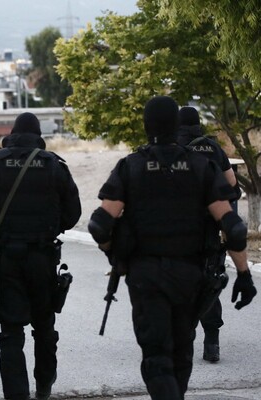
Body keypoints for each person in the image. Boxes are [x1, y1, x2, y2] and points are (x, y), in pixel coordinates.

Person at [88, 96, 256, 400]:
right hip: (190, 274)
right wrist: (243, 274)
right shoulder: (201, 166)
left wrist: (116, 253)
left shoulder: (131, 166)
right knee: (181, 356)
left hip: (145, 276)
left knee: (156, 359)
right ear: (175, 125)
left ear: (145, 125)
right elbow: (232, 226)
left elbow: (100, 224)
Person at [0, 112, 82, 400]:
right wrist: (50, 227)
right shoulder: (54, 165)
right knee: (44, 326)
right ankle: (44, 385)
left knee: (11, 332)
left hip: (6, 257)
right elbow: (73, 215)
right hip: (43, 257)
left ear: (13, 133)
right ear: (38, 136)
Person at [176, 106, 241, 363]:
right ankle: (211, 342)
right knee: (209, 280)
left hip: (179, 229)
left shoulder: (172, 146)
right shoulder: (212, 147)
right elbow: (232, 185)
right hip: (209, 228)